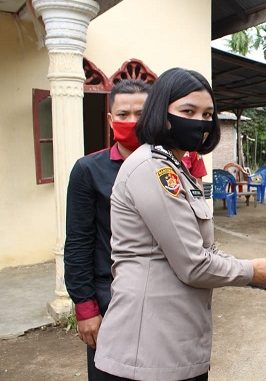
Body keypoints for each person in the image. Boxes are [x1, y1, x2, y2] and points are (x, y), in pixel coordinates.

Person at [93, 68, 266, 381]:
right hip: (147, 348)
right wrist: (253, 271)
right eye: (188, 111)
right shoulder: (152, 169)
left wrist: (265, 270)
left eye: (208, 114)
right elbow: (193, 263)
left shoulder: (177, 168)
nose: (200, 122)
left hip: (174, 338)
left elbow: (207, 248)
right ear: (161, 111)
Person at [64, 79, 151, 380]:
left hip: (158, 298)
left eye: (140, 114)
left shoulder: (168, 169)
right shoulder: (89, 170)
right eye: (123, 114)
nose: (132, 121)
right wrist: (86, 308)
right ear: (110, 120)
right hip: (110, 297)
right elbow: (77, 244)